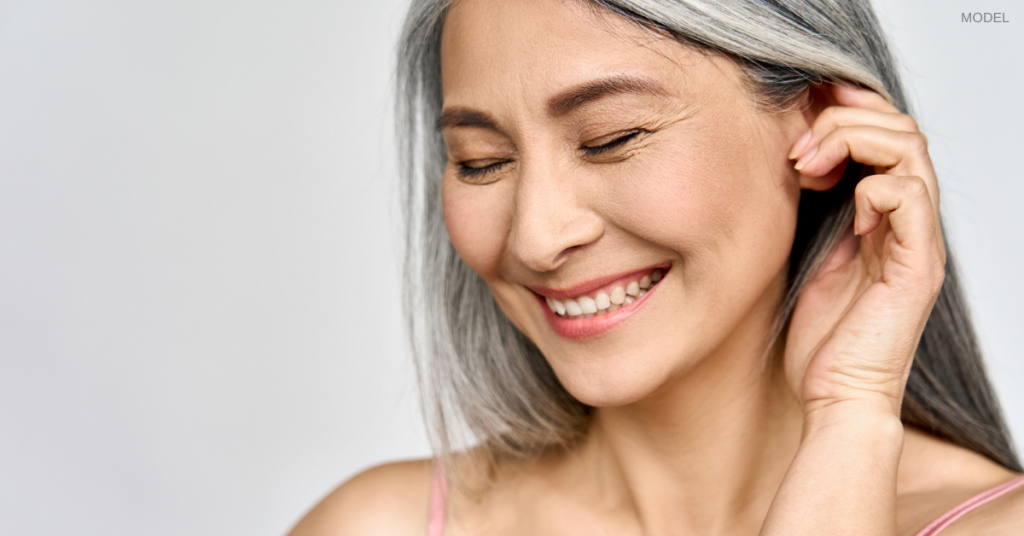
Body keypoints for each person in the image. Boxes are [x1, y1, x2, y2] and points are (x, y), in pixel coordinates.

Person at [289, 0, 1024, 534]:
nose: (538, 237)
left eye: (612, 137)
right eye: (483, 163)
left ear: (817, 122)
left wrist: (851, 419)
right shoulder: (375, 525)